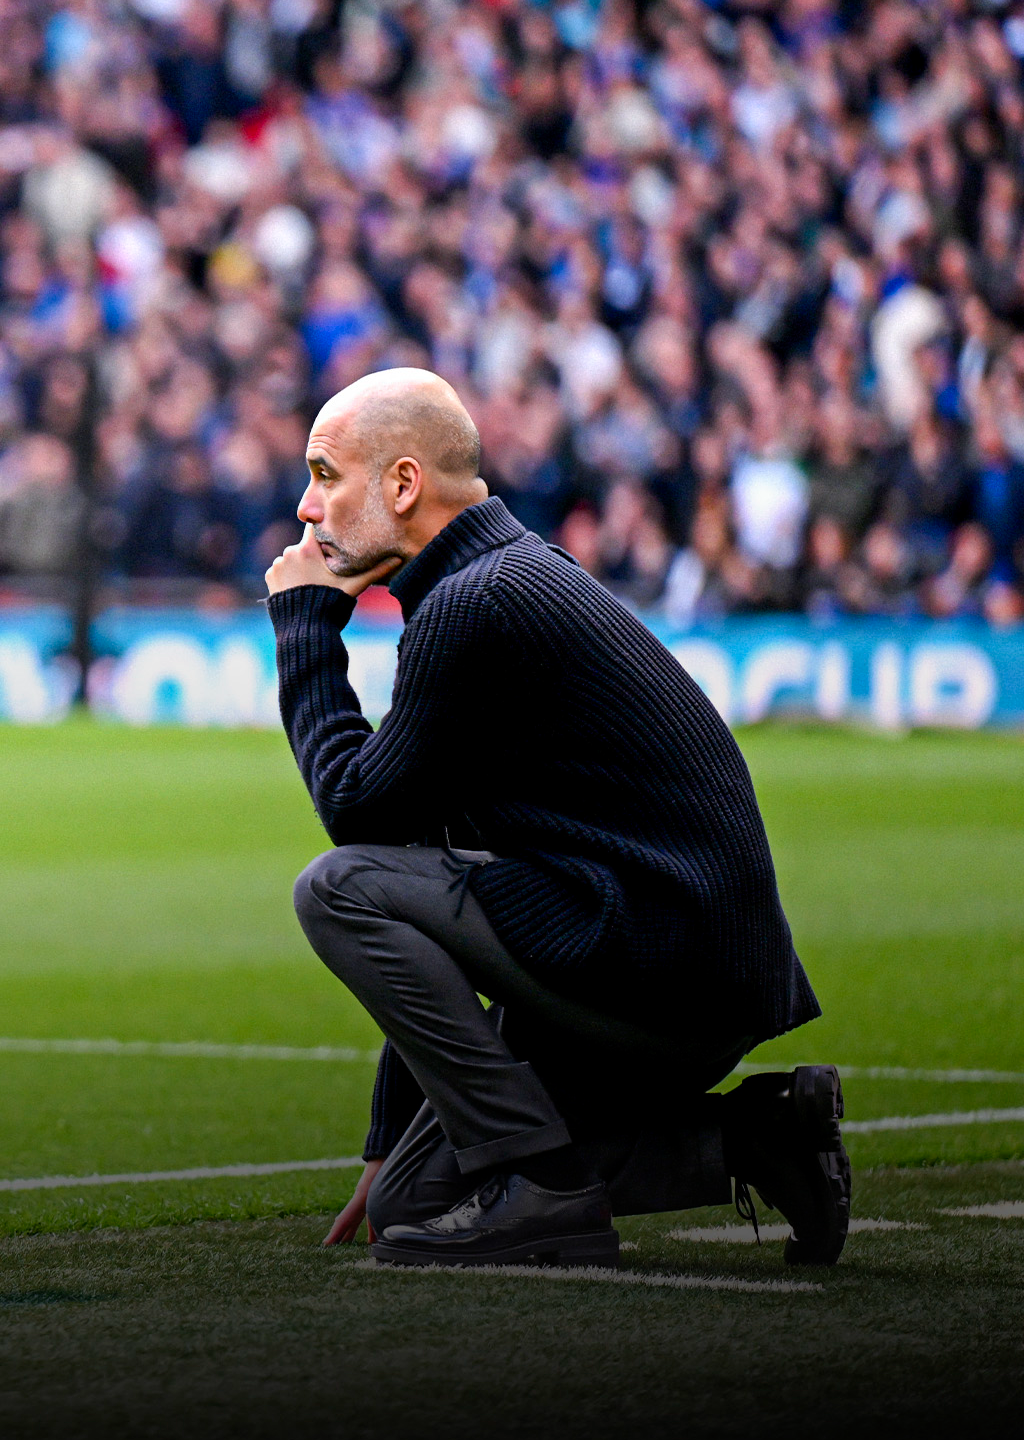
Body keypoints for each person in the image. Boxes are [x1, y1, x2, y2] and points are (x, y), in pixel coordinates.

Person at [265, 367, 851, 1270]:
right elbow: (419, 847)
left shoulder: (480, 602)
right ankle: (757, 1138)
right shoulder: (497, 582)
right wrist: (389, 1142)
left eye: (325, 475)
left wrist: (305, 626)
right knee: (411, 1201)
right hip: (652, 954)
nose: (307, 507)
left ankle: (543, 1189)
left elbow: (356, 818)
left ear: (404, 484)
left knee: (334, 891)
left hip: (662, 968)